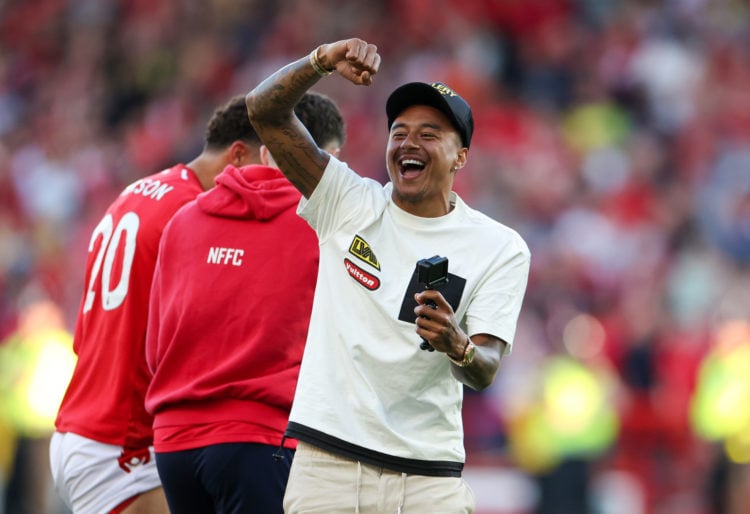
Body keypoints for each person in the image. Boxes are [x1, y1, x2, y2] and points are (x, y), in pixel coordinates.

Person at [245, 38, 531, 513]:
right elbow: (264, 112)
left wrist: (457, 345)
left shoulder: (500, 247)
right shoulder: (347, 201)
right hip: (327, 466)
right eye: (399, 131)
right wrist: (322, 61)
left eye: (429, 133)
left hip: (427, 478)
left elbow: (485, 366)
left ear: (461, 156)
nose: (408, 144)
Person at [50, 94, 262, 514]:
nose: (273, 183)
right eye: (270, 165)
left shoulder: (144, 190)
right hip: (122, 444)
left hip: (90, 425)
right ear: (238, 155)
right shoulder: (192, 214)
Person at [143, 92, 345, 514]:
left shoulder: (183, 220)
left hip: (173, 446)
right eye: (328, 161)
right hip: (259, 438)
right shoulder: (323, 223)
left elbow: (153, 351)